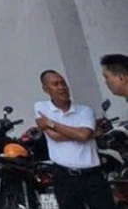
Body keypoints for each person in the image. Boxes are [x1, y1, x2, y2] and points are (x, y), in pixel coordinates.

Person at [34, 69, 115, 209]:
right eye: (55, 84)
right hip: (64, 176)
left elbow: (83, 136)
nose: (62, 87)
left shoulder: (85, 111)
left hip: (91, 175)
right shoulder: (41, 107)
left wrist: (52, 124)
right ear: (45, 89)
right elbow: (54, 136)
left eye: (63, 83)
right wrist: (87, 134)